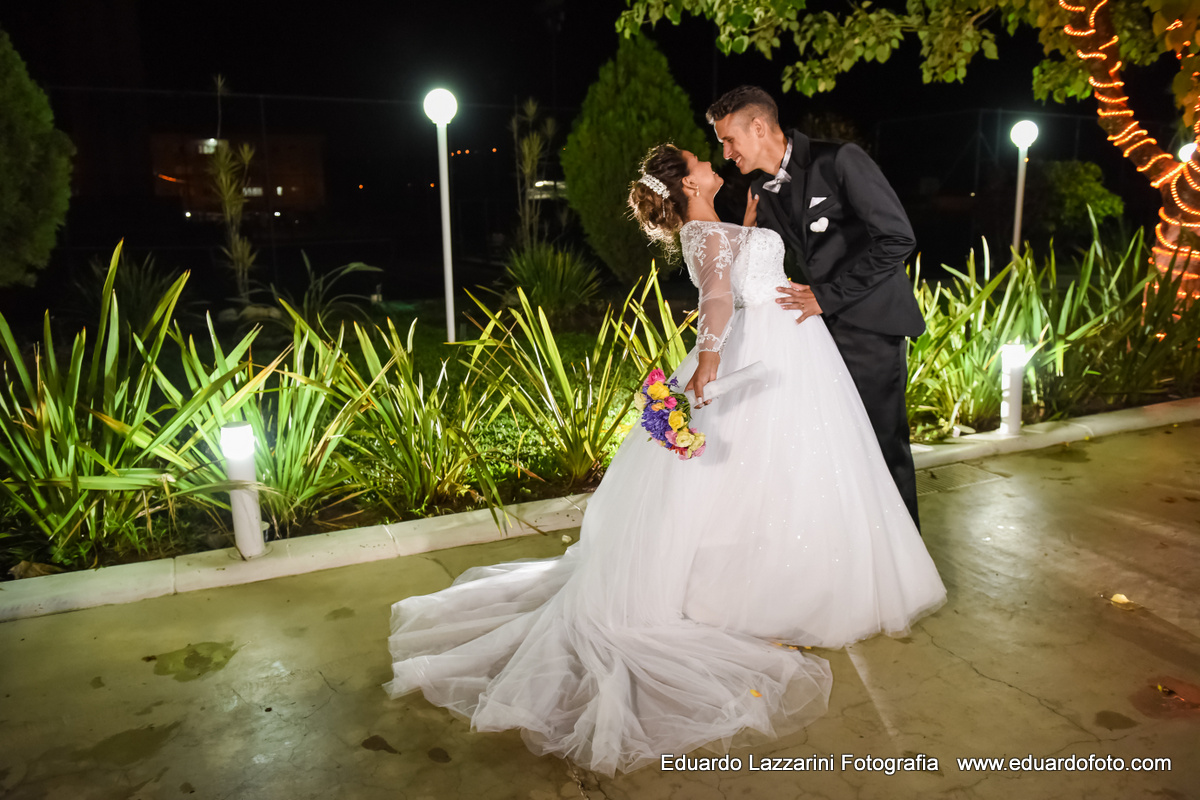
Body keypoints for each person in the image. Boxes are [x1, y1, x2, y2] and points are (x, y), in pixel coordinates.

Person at [384, 144, 946, 777]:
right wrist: (706, 364)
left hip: (790, 345)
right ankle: (765, 594)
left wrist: (754, 231)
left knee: (782, 472)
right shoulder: (705, 230)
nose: (713, 159)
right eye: (698, 158)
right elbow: (715, 299)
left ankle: (796, 580)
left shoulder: (717, 222)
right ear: (685, 181)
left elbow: (733, 272)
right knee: (762, 474)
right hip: (761, 349)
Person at [707, 86, 925, 531]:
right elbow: (766, 261)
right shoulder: (759, 189)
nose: (725, 152)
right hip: (816, 337)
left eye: (729, 140)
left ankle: (909, 557)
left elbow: (898, 238)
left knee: (882, 446)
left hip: (870, 327)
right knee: (838, 448)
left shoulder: (840, 159)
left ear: (760, 126)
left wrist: (828, 295)